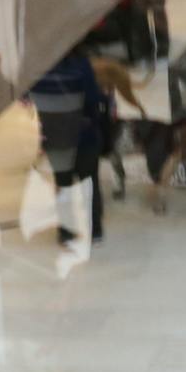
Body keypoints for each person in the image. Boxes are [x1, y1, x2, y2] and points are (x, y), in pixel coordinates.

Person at [27, 43, 110, 247]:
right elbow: (92, 98)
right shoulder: (81, 66)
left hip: (55, 137)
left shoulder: (40, 71)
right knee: (89, 182)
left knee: (63, 182)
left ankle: (66, 232)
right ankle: (94, 230)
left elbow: (29, 98)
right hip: (83, 134)